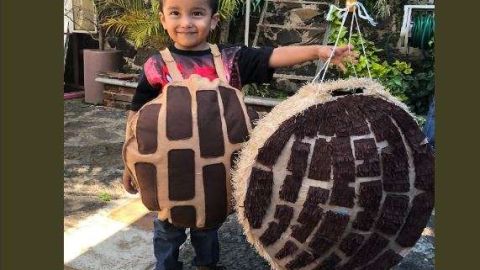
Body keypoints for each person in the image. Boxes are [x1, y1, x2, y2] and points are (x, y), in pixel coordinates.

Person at [122, 0, 357, 269]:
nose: (186, 22)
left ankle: (207, 264)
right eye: (175, 13)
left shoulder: (230, 60)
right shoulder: (156, 66)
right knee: (167, 226)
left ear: (213, 20)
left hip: (217, 168)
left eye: (197, 13)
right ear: (163, 19)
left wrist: (316, 50)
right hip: (171, 169)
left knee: (209, 223)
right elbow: (137, 117)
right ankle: (166, 266)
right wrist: (129, 166)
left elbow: (271, 55)